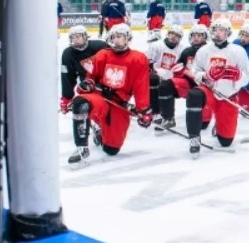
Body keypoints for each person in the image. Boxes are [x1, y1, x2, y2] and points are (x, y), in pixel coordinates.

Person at [67, 23, 152, 167]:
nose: (116, 40)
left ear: (128, 38)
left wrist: (143, 109)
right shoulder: (102, 55)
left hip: (119, 104)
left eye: (120, 36)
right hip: (100, 98)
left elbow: (141, 85)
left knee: (111, 149)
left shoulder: (138, 58)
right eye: (114, 37)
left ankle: (99, 129)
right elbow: (91, 77)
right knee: (80, 104)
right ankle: (82, 148)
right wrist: (88, 84)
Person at [188, 18, 249, 155]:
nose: (217, 33)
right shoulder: (204, 50)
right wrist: (206, 75)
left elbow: (248, 75)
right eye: (215, 30)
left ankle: (220, 124)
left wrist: (238, 75)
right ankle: (194, 137)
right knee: (194, 95)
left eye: (221, 30)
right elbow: (195, 72)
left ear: (227, 33)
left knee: (226, 141)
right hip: (209, 91)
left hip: (228, 95)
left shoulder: (238, 51)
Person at [155, 23, 210, 135]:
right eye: (194, 35)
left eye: (199, 35)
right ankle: (168, 118)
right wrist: (178, 70)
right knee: (165, 86)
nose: (196, 37)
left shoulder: (210, 51)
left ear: (205, 37)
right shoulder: (187, 51)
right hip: (188, 84)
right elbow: (178, 68)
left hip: (206, 88)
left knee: (203, 125)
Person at [60, 25, 109, 116]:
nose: (75, 40)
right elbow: (67, 77)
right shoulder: (68, 54)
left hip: (107, 83)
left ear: (85, 36)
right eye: (73, 37)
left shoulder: (100, 46)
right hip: (87, 86)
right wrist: (66, 98)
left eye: (78, 36)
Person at [147, 25, 188, 118]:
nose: (173, 36)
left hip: (172, 77)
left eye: (177, 35)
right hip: (156, 74)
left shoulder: (183, 50)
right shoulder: (156, 45)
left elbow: (182, 67)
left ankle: (168, 112)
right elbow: (148, 63)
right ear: (167, 34)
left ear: (180, 38)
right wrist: (155, 72)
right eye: (172, 33)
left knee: (169, 85)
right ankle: (155, 110)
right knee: (152, 80)